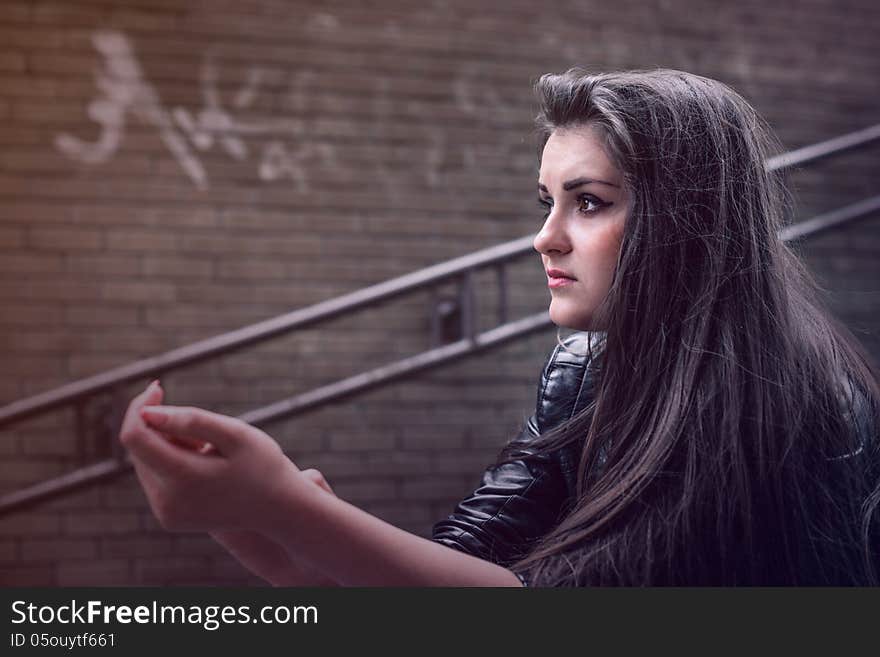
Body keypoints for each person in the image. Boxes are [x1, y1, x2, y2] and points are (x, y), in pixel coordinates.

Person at [119, 68, 880, 586]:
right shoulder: (584, 366)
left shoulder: (784, 401)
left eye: (588, 202)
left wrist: (292, 510)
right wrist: (259, 516)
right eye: (544, 201)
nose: (544, 236)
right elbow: (461, 562)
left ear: (689, 220)